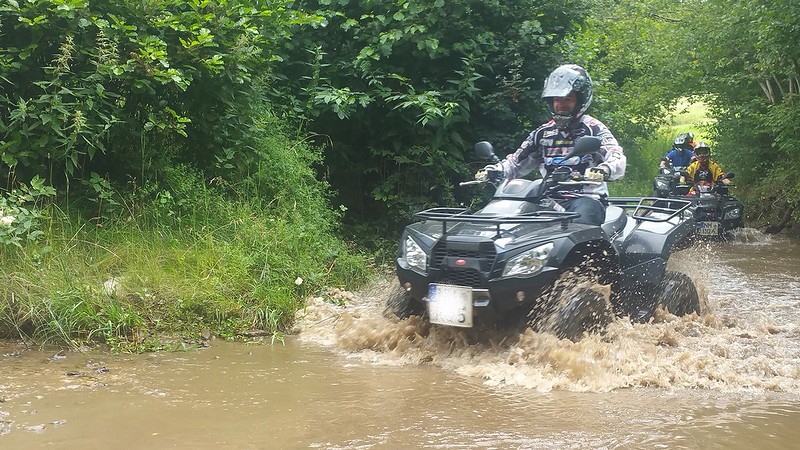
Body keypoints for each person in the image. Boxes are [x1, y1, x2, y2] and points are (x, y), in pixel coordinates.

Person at [478, 64, 626, 226]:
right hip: (545, 199)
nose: (561, 104)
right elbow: (516, 162)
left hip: (586, 199)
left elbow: (616, 156)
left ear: (580, 100)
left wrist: (604, 169)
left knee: (580, 225)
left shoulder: (593, 128)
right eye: (557, 99)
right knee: (508, 223)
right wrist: (496, 170)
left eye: (567, 99)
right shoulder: (542, 133)